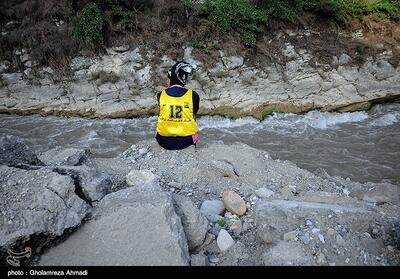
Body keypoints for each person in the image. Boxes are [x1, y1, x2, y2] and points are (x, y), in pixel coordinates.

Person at [155, 61, 200, 150]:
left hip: (163, 140)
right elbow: (194, 114)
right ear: (184, 78)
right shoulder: (193, 95)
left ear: (171, 79)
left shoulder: (160, 95)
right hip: (187, 141)